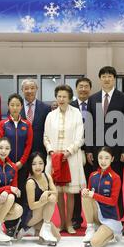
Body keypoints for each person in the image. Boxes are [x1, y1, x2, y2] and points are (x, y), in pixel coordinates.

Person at [86, 66, 124, 233]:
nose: (106, 79)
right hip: (98, 151)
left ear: (114, 79)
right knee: (97, 187)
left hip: (117, 150)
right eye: (103, 76)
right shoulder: (93, 99)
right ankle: (99, 221)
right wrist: (89, 150)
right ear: (100, 79)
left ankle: (119, 221)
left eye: (110, 76)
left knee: (116, 187)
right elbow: (89, 125)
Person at [44, 84, 86, 234]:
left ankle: (69, 223)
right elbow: (46, 137)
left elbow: (80, 138)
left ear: (70, 98)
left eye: (64, 97)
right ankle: (61, 222)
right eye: (59, 96)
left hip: (71, 158)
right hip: (54, 158)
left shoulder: (76, 114)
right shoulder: (50, 115)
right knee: (59, 192)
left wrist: (68, 152)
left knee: (70, 192)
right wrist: (50, 151)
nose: (61, 99)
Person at [81, 147, 123, 247]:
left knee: (95, 243)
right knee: (86, 197)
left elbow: (113, 202)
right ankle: (91, 228)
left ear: (112, 159)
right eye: (100, 158)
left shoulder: (115, 177)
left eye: (106, 158)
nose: (103, 161)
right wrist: (85, 192)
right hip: (97, 215)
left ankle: (113, 233)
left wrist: (94, 195)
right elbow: (90, 197)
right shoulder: (92, 175)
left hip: (110, 218)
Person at [17, 152, 61, 246]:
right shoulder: (30, 182)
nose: (38, 167)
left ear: (44, 164)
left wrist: (47, 193)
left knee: (57, 238)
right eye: (34, 164)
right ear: (30, 165)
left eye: (40, 163)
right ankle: (28, 227)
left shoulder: (47, 176)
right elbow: (32, 206)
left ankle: (34, 230)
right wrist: (44, 200)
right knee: (50, 199)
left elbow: (55, 194)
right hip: (30, 216)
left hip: (42, 215)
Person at [0, 93, 33, 201]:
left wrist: (21, 162)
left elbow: (29, 145)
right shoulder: (3, 124)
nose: (15, 108)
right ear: (8, 106)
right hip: (6, 164)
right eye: (12, 105)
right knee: (8, 192)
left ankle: (21, 216)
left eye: (17, 105)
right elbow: (0, 145)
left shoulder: (27, 124)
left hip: (22, 165)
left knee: (21, 191)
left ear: (21, 106)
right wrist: (8, 162)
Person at [70, 77, 93, 230]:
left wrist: (91, 149)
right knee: (75, 186)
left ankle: (93, 218)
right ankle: (76, 218)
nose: (83, 89)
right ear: (76, 89)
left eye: (86, 86)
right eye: (81, 86)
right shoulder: (69, 105)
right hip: (74, 151)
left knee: (91, 186)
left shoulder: (95, 104)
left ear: (90, 89)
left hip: (91, 152)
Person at [20, 79, 51, 159]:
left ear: (37, 89)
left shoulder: (46, 108)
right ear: (22, 90)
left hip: (40, 151)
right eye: (26, 88)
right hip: (21, 151)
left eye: (32, 88)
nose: (29, 91)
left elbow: (48, 131)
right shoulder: (16, 108)